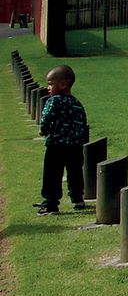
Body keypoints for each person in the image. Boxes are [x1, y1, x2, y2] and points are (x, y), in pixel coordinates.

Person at [34, 65, 89, 215]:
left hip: (56, 146)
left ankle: (51, 203)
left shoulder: (53, 102)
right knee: (75, 172)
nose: (48, 88)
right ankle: (77, 198)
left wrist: (43, 130)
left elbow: (46, 119)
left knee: (52, 174)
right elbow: (83, 123)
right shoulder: (77, 103)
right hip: (75, 146)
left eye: (51, 84)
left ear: (63, 84)